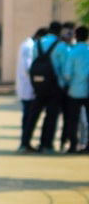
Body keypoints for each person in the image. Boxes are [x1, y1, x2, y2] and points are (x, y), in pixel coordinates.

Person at [29, 21, 68, 153]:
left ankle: (25, 142)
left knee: (33, 115)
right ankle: (46, 144)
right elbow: (64, 69)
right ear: (59, 31)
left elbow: (33, 62)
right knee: (51, 117)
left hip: (39, 85)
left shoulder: (37, 43)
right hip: (54, 86)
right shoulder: (61, 46)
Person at [17, 27, 47, 152]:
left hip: (26, 87)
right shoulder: (30, 46)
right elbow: (30, 68)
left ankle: (25, 143)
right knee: (28, 117)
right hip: (29, 87)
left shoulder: (26, 44)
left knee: (27, 116)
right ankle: (25, 143)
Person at [61, 26, 89, 153]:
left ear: (76, 37)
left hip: (74, 91)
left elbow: (67, 73)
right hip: (87, 91)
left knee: (72, 119)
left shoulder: (72, 52)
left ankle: (73, 144)